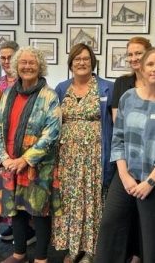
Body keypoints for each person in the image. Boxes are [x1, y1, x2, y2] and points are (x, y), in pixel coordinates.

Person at [95, 48, 155, 262]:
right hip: (126, 175)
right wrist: (124, 176)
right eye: (150, 64)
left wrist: (150, 182)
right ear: (142, 69)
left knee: (152, 240)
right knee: (110, 227)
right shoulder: (128, 98)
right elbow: (118, 138)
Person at [0, 46, 61, 263]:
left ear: (40, 66)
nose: (27, 66)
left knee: (40, 211)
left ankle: (41, 258)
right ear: (16, 66)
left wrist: (25, 159)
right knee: (16, 209)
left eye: (32, 62)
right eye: (23, 62)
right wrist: (4, 158)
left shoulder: (49, 96)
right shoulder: (7, 93)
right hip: (10, 162)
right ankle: (19, 253)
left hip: (38, 164)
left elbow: (52, 133)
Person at [53, 43, 114, 263]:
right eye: (77, 59)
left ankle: (91, 250)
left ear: (93, 62)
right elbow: (54, 121)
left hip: (95, 156)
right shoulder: (61, 88)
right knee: (71, 202)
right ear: (70, 63)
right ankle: (73, 247)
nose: (81, 62)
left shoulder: (107, 87)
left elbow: (115, 124)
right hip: (68, 155)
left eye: (86, 59)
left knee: (94, 201)